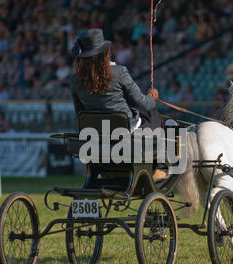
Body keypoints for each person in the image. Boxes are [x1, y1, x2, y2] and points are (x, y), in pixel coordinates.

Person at [70, 29, 165, 178]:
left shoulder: (75, 80)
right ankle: (159, 167)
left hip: (97, 135)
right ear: (104, 53)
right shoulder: (119, 72)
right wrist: (152, 97)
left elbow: (80, 114)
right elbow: (143, 104)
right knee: (153, 114)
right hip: (125, 131)